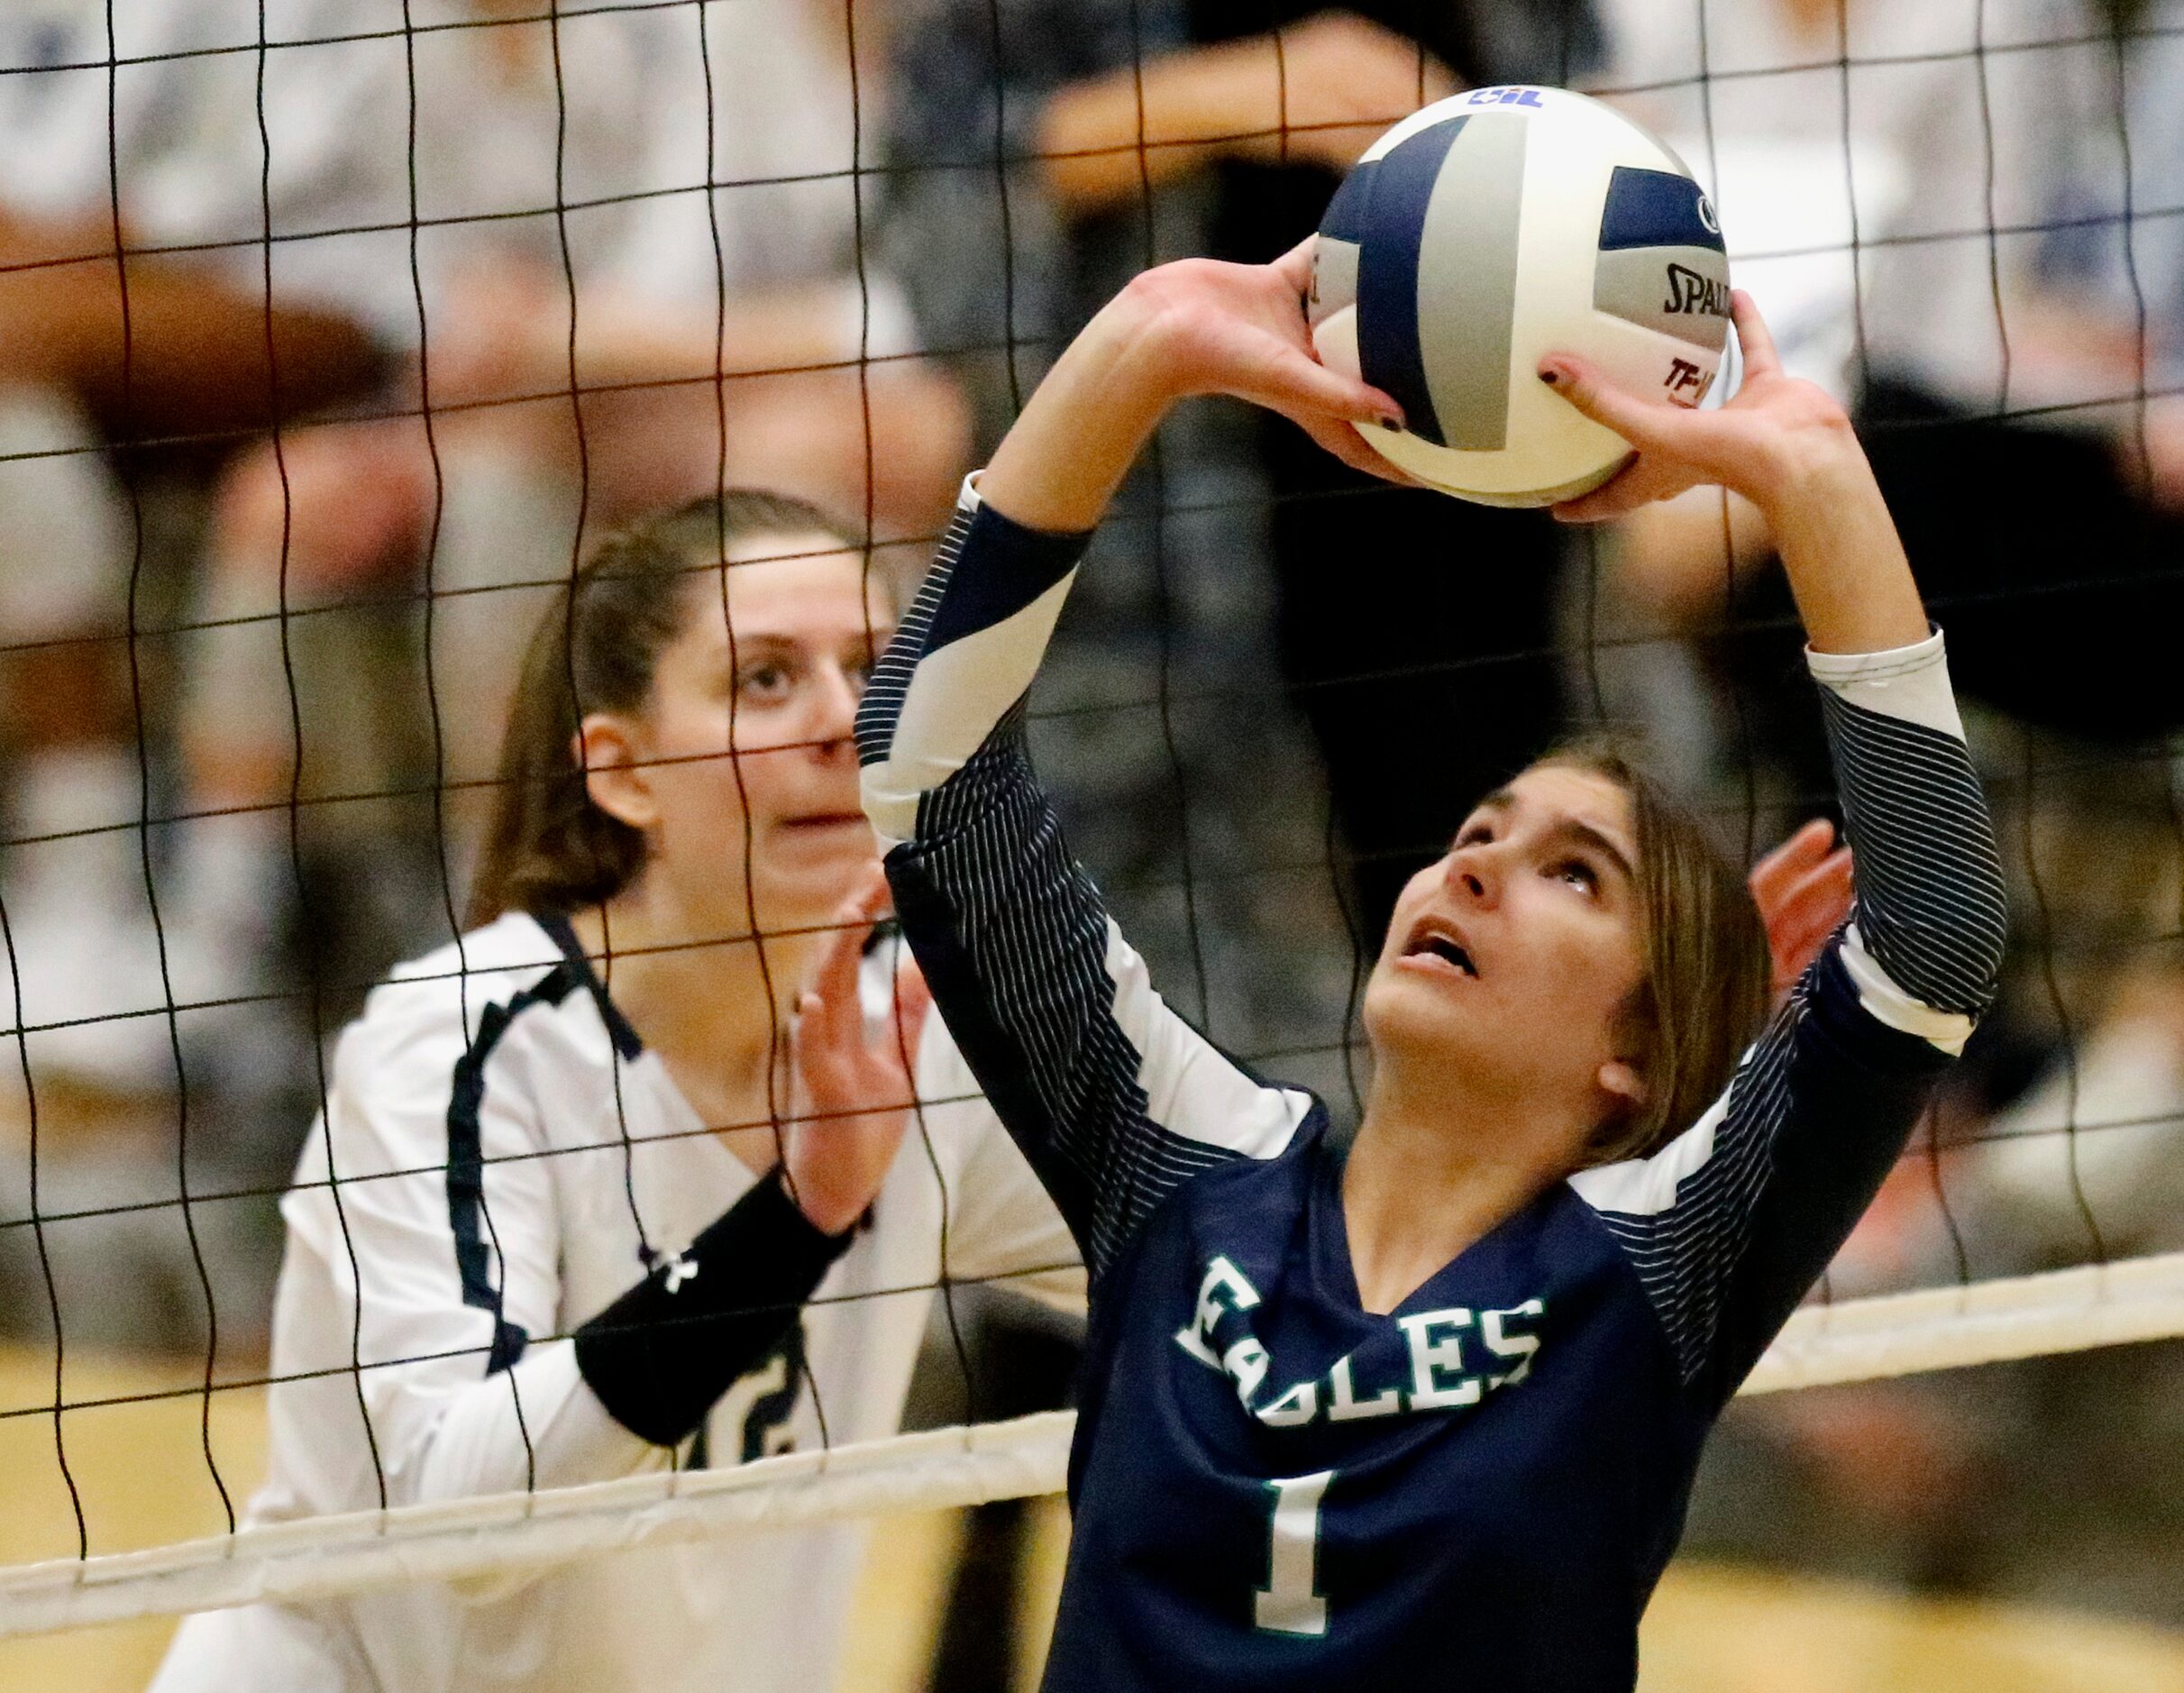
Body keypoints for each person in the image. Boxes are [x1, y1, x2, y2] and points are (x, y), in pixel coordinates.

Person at [854, 246, 2006, 1685]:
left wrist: (1819, 482)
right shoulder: (1184, 1173)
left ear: (1633, 1056)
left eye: (1572, 872)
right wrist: (1140, 342)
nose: (1475, 867)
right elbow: (929, 765)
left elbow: (1936, 932)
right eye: (1478, 831)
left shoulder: (1646, 1264)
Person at [150, 491, 1078, 1693]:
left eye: (867, 666)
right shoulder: (457, 1048)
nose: (842, 721)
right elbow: (458, 1509)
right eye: (764, 679)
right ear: (625, 774)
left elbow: (1213, 1254)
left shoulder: (921, 1027)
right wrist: (789, 1223)